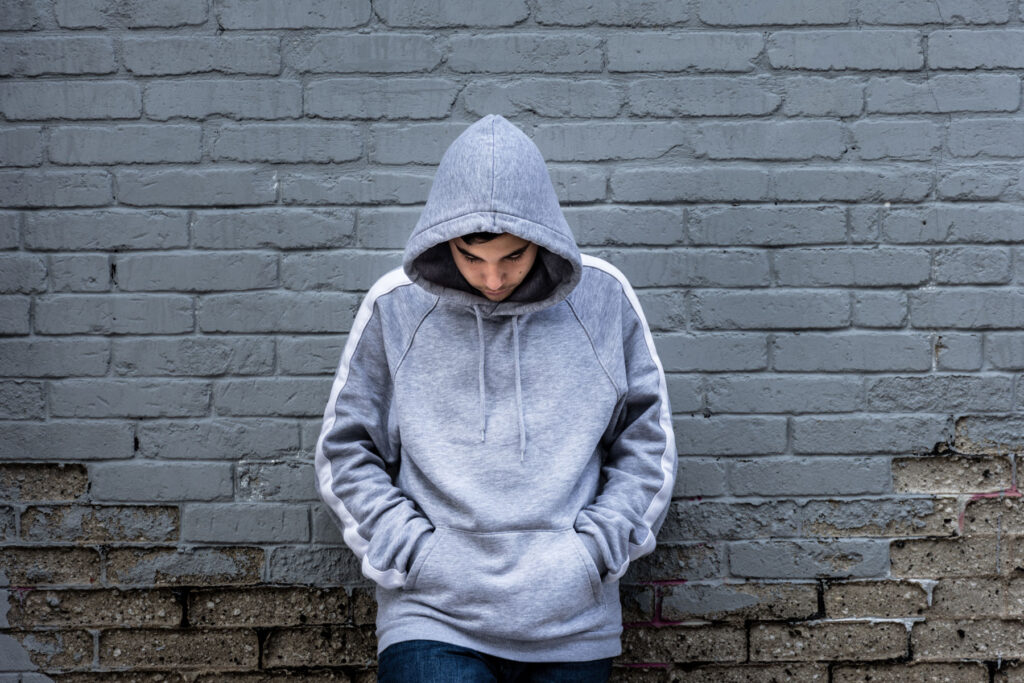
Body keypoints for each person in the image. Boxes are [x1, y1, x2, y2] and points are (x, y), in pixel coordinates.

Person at [315, 114, 677, 682]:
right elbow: (346, 452)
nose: (491, 280)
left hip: (570, 623)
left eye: (512, 257)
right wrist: (416, 555)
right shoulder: (396, 307)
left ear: (542, 238)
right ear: (444, 240)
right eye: (471, 258)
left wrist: (593, 555)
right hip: (433, 617)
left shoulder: (602, 299)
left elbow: (647, 445)